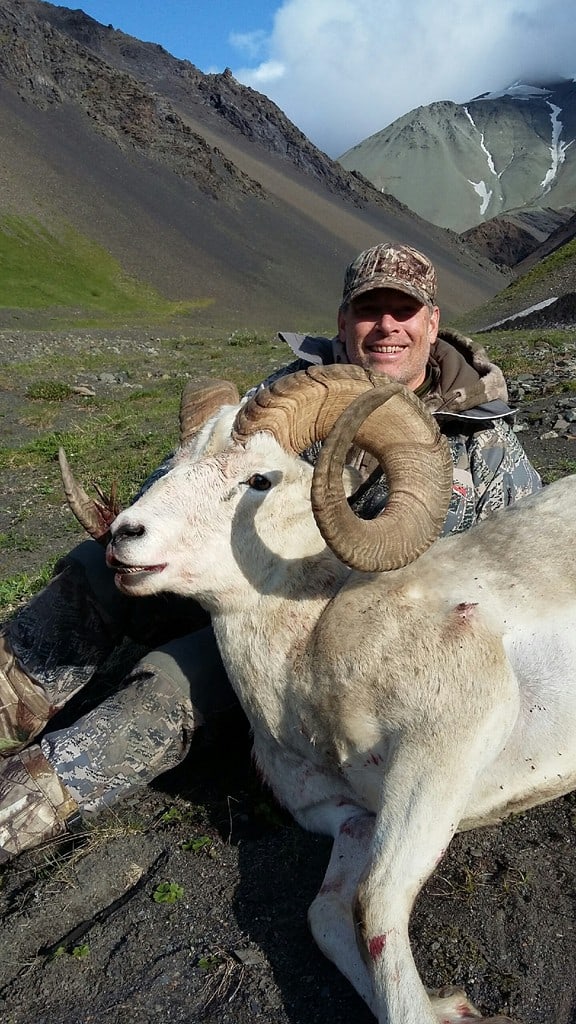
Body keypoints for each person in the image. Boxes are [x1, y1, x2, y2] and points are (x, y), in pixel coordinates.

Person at [0, 242, 542, 862]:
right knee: (102, 562)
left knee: (171, 684)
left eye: (405, 310)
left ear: (432, 323)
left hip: (328, 654)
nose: (387, 326)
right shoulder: (286, 398)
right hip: (224, 576)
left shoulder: (485, 448)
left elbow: (512, 565)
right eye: (369, 310)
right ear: (343, 322)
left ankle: (23, 806)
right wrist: (149, 506)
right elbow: (198, 472)